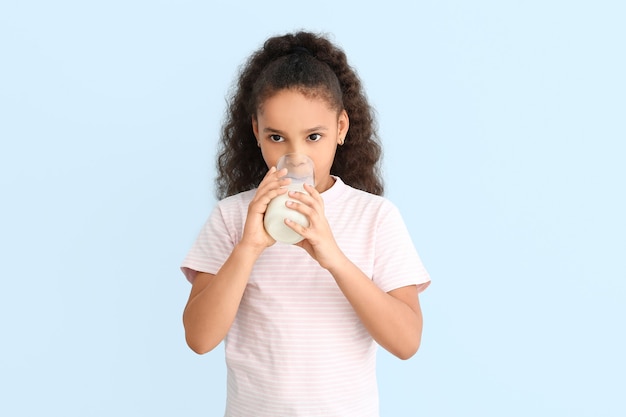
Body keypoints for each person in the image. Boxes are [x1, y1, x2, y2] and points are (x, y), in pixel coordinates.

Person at [181, 31, 431, 417]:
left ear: (342, 128)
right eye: (277, 137)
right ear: (256, 133)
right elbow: (198, 338)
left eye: (314, 136)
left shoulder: (375, 217)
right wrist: (248, 248)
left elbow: (406, 341)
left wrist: (333, 257)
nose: (296, 155)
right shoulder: (232, 218)